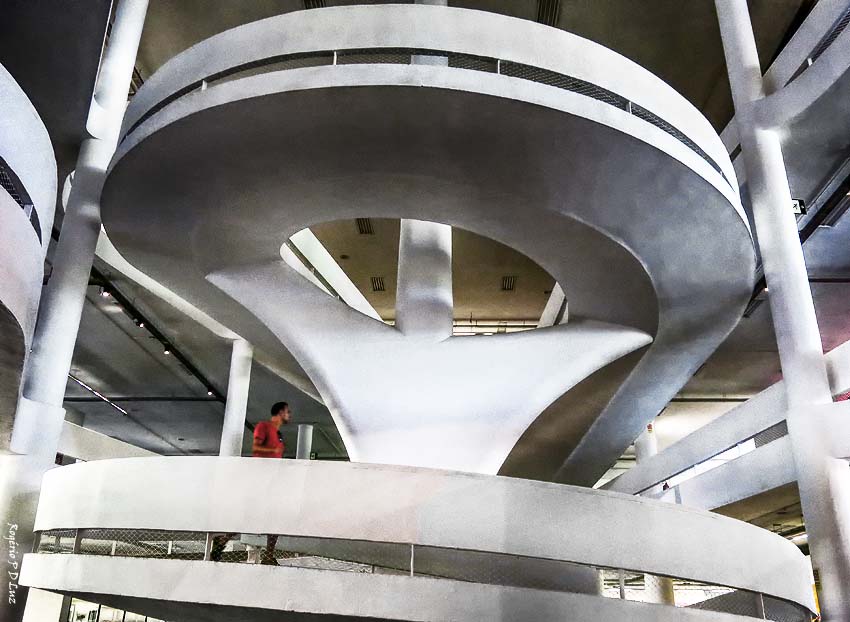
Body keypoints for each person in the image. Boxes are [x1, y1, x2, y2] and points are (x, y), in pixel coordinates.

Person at [210, 402, 292, 565]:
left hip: (272, 481)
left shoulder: (278, 434)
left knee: (274, 517)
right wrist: (273, 452)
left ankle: (268, 555)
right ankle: (223, 540)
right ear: (280, 412)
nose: (289, 414)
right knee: (250, 515)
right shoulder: (264, 427)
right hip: (260, 479)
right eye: (287, 411)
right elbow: (257, 448)